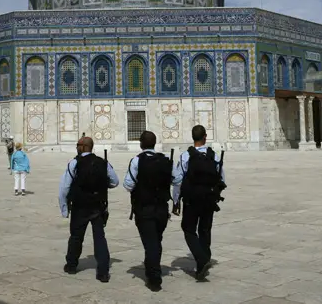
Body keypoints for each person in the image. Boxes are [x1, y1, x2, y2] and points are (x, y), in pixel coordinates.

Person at [123, 131, 181, 291]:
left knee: (151, 243)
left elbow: (128, 184)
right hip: (162, 209)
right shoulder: (165, 160)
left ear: (141, 144)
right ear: (154, 143)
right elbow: (177, 179)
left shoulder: (136, 161)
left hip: (144, 208)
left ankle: (155, 278)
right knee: (156, 240)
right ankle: (151, 269)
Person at [59, 137, 119, 283]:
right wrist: (103, 186)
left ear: (83, 147)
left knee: (76, 237)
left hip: (80, 206)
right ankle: (103, 272)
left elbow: (64, 188)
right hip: (98, 206)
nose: (76, 147)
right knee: (99, 238)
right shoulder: (102, 163)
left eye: (78, 144)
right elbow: (115, 181)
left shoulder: (74, 163)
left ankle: (72, 265)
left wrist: (64, 208)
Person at [172, 125, 226, 281]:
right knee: (205, 228)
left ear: (192, 137)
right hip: (209, 198)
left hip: (191, 198)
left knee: (188, 229)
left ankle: (201, 259)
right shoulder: (213, 156)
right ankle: (205, 259)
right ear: (205, 137)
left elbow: (178, 180)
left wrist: (176, 201)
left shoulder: (185, 156)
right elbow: (221, 178)